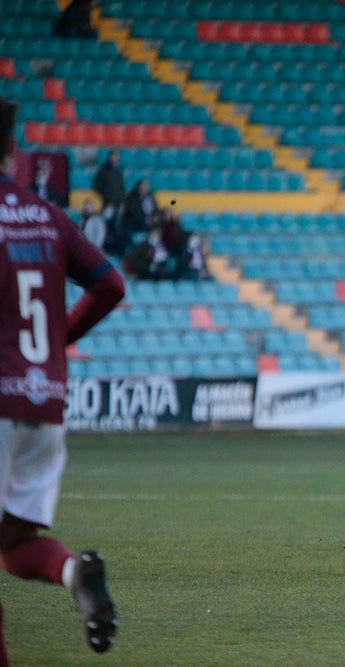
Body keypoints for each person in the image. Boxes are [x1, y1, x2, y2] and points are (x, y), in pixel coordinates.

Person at [0, 98, 123, 657]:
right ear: (12, 148)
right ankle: (74, 574)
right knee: (14, 544)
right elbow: (110, 285)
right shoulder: (47, 216)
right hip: (45, 402)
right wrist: (59, 340)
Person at [90, 150, 125, 238]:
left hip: (118, 203)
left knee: (117, 226)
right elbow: (96, 186)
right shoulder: (103, 170)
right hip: (107, 204)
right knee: (106, 224)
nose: (114, 158)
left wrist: (122, 201)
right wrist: (107, 200)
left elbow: (121, 187)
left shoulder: (119, 171)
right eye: (112, 156)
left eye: (116, 156)